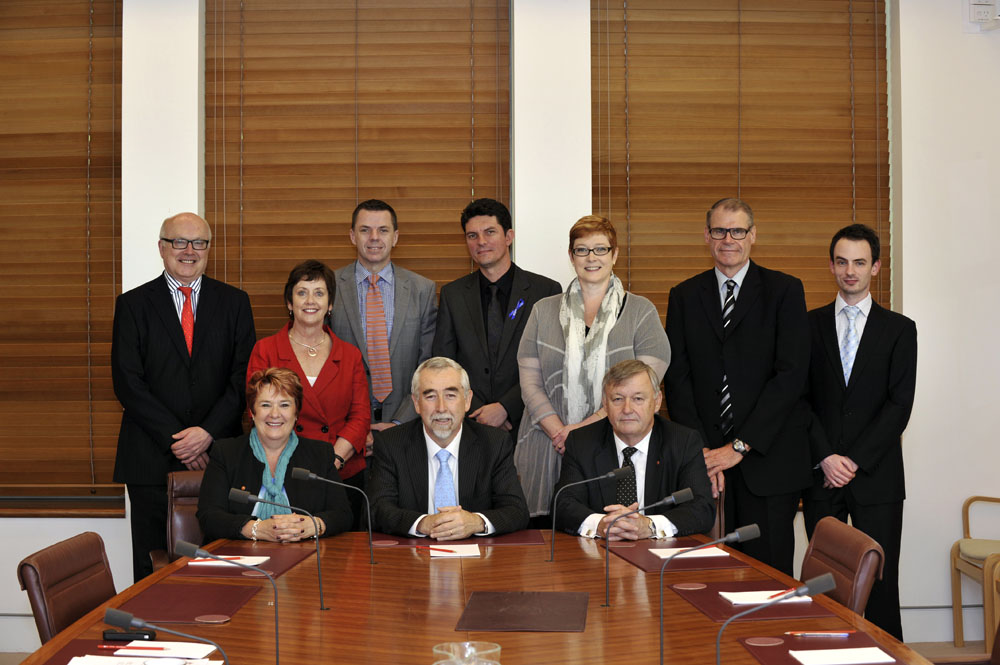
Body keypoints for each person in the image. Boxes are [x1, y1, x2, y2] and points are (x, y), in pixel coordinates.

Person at [664, 198, 811, 576]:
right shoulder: (684, 295)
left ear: (753, 236)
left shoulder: (785, 291)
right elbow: (677, 378)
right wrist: (704, 451)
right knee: (705, 576)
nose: (728, 239)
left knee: (769, 577)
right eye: (719, 230)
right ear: (707, 236)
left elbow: (790, 377)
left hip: (768, 461)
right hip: (707, 464)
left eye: (738, 231)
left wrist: (740, 447)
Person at [112, 212, 255, 581]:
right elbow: (128, 383)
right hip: (149, 456)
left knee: (218, 562)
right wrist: (179, 439)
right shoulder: (133, 305)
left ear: (209, 249)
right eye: (179, 242)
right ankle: (151, 637)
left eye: (199, 243)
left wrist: (206, 433)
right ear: (162, 247)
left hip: (218, 455)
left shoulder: (235, 302)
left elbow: (242, 378)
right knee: (151, 566)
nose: (189, 251)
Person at [513, 216, 670, 519]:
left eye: (600, 249)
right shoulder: (542, 311)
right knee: (547, 543)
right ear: (571, 256)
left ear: (615, 254)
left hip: (615, 443)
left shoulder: (641, 312)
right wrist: (560, 432)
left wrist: (579, 431)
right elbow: (529, 381)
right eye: (582, 250)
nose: (591, 258)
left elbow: (647, 385)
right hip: (547, 444)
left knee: (613, 534)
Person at [803, 224, 916, 640]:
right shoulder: (807, 325)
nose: (850, 271)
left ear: (876, 267)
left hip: (877, 477)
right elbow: (799, 401)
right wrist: (826, 457)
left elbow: (899, 406)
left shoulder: (901, 330)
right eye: (842, 261)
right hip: (821, 474)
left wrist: (853, 460)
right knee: (823, 584)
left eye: (860, 262)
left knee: (882, 587)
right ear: (832, 266)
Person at [248, 259, 370, 523]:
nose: (310, 300)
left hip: (340, 473)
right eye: (302, 292)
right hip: (281, 472)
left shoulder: (349, 355)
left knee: (341, 558)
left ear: (330, 304)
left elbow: (360, 417)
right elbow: (257, 411)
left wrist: (332, 461)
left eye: (319, 293)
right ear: (290, 303)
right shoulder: (266, 350)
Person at [433, 198, 561, 437]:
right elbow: (445, 363)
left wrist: (506, 408)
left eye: (490, 232)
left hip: (529, 424)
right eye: (472, 236)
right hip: (471, 424)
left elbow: (550, 362)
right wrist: (480, 409)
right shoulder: (453, 294)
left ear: (509, 236)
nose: (481, 242)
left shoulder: (545, 291)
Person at [368, 357, 529, 540]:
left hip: (478, 560)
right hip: (412, 558)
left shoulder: (494, 443)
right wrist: (422, 523)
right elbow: (378, 509)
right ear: (416, 403)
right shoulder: (391, 443)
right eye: (430, 396)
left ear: (467, 400)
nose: (441, 408)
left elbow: (516, 510)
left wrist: (476, 522)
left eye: (450, 395)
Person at [555, 360, 714, 539]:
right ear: (605, 404)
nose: (627, 409)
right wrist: (600, 525)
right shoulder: (582, 442)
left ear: (656, 402)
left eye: (638, 399)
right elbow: (563, 503)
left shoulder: (683, 442)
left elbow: (702, 509)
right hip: (599, 556)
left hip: (662, 559)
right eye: (618, 399)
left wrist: (649, 526)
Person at [197, 367, 352, 541]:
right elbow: (208, 516)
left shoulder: (320, 453)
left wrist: (314, 524)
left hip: (304, 558)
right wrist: (256, 529)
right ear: (252, 413)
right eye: (265, 405)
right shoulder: (226, 452)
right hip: (239, 559)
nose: (275, 414)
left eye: (284, 405)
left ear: (296, 413)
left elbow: (343, 514)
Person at [329, 199, 437, 432]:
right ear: (352, 236)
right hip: (344, 424)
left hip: (407, 425)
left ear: (395, 237)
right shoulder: (329, 287)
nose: (374, 237)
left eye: (383, 230)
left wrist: (400, 422)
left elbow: (427, 365)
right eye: (365, 230)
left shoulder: (422, 289)